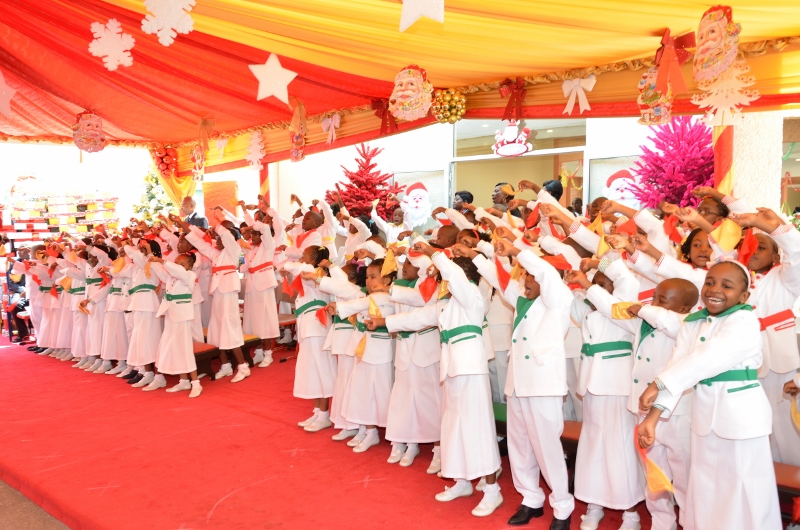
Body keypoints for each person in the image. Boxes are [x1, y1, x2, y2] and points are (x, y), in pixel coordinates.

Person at [639, 261, 782, 530]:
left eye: (727, 286)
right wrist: (653, 416)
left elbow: (706, 359)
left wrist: (657, 383)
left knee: (744, 486)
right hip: (705, 419)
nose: (715, 289)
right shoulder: (693, 323)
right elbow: (677, 366)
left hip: (742, 420)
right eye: (710, 282)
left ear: (744, 296)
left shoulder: (745, 319)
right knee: (705, 486)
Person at [471, 239, 574, 529]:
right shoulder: (523, 299)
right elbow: (499, 278)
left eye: (530, 276)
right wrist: (478, 253)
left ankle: (563, 506)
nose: (525, 280)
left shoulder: (559, 298)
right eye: (524, 276)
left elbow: (546, 274)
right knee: (520, 446)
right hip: (517, 385)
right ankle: (531, 498)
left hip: (543, 386)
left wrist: (518, 252)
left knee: (547, 449)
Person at [412, 239, 503, 518]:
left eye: (446, 278)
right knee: (454, 426)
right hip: (452, 367)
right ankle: (462, 480)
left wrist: (432, 252)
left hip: (470, 368)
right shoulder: (451, 303)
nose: (443, 283)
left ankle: (492, 490)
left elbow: (454, 275)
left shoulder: (473, 294)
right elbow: (422, 316)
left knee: (477, 427)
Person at [283, 246, 336, 432]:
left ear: (313, 258)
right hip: (307, 326)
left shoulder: (315, 272)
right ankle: (317, 411)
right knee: (312, 369)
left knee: (321, 369)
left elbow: (291, 266)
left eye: (304, 255)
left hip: (316, 326)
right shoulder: (310, 272)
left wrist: (288, 264)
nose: (301, 258)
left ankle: (324, 414)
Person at [149, 253, 203, 398]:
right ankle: (184, 380)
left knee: (184, 349)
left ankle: (196, 383)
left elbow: (177, 271)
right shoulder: (171, 276)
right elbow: (161, 270)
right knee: (174, 348)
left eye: (182, 264)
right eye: (176, 263)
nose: (178, 266)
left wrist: (162, 260)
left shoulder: (190, 275)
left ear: (190, 266)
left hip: (182, 316)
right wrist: (150, 256)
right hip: (170, 315)